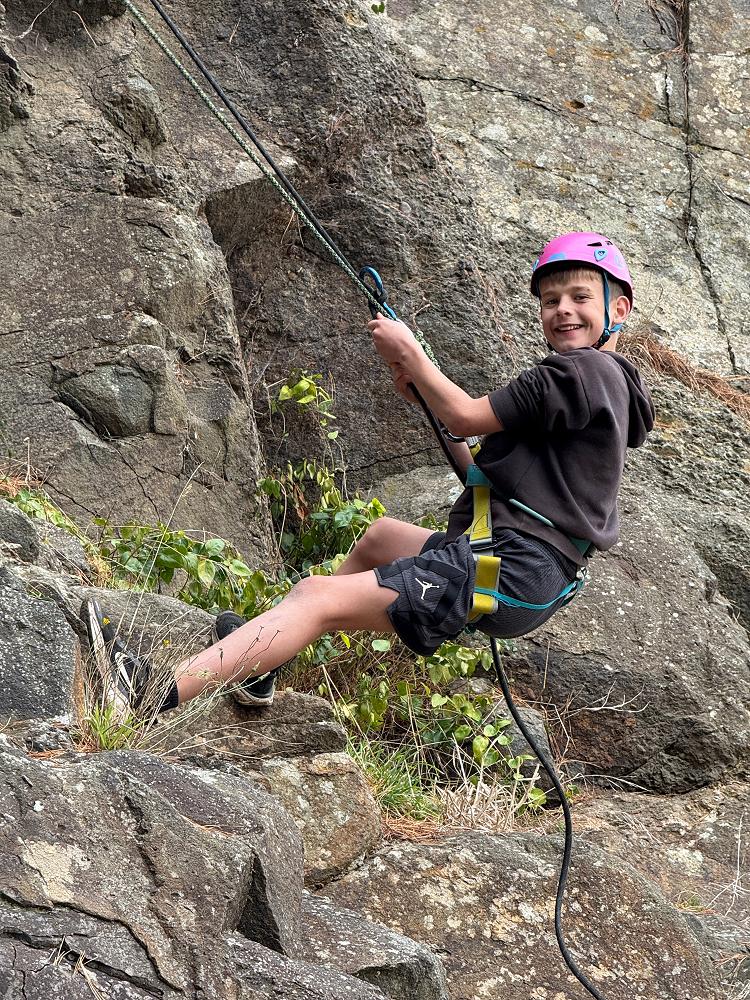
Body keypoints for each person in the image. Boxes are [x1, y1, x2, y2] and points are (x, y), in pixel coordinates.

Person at [83, 232, 654, 718]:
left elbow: (464, 415)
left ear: (619, 309)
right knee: (381, 537)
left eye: (581, 296)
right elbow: (483, 481)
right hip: (525, 570)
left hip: (512, 566)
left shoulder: (579, 373)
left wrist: (415, 355)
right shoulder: (596, 387)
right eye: (551, 299)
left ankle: (150, 694)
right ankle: (260, 662)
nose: (563, 309)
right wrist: (426, 398)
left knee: (317, 595)